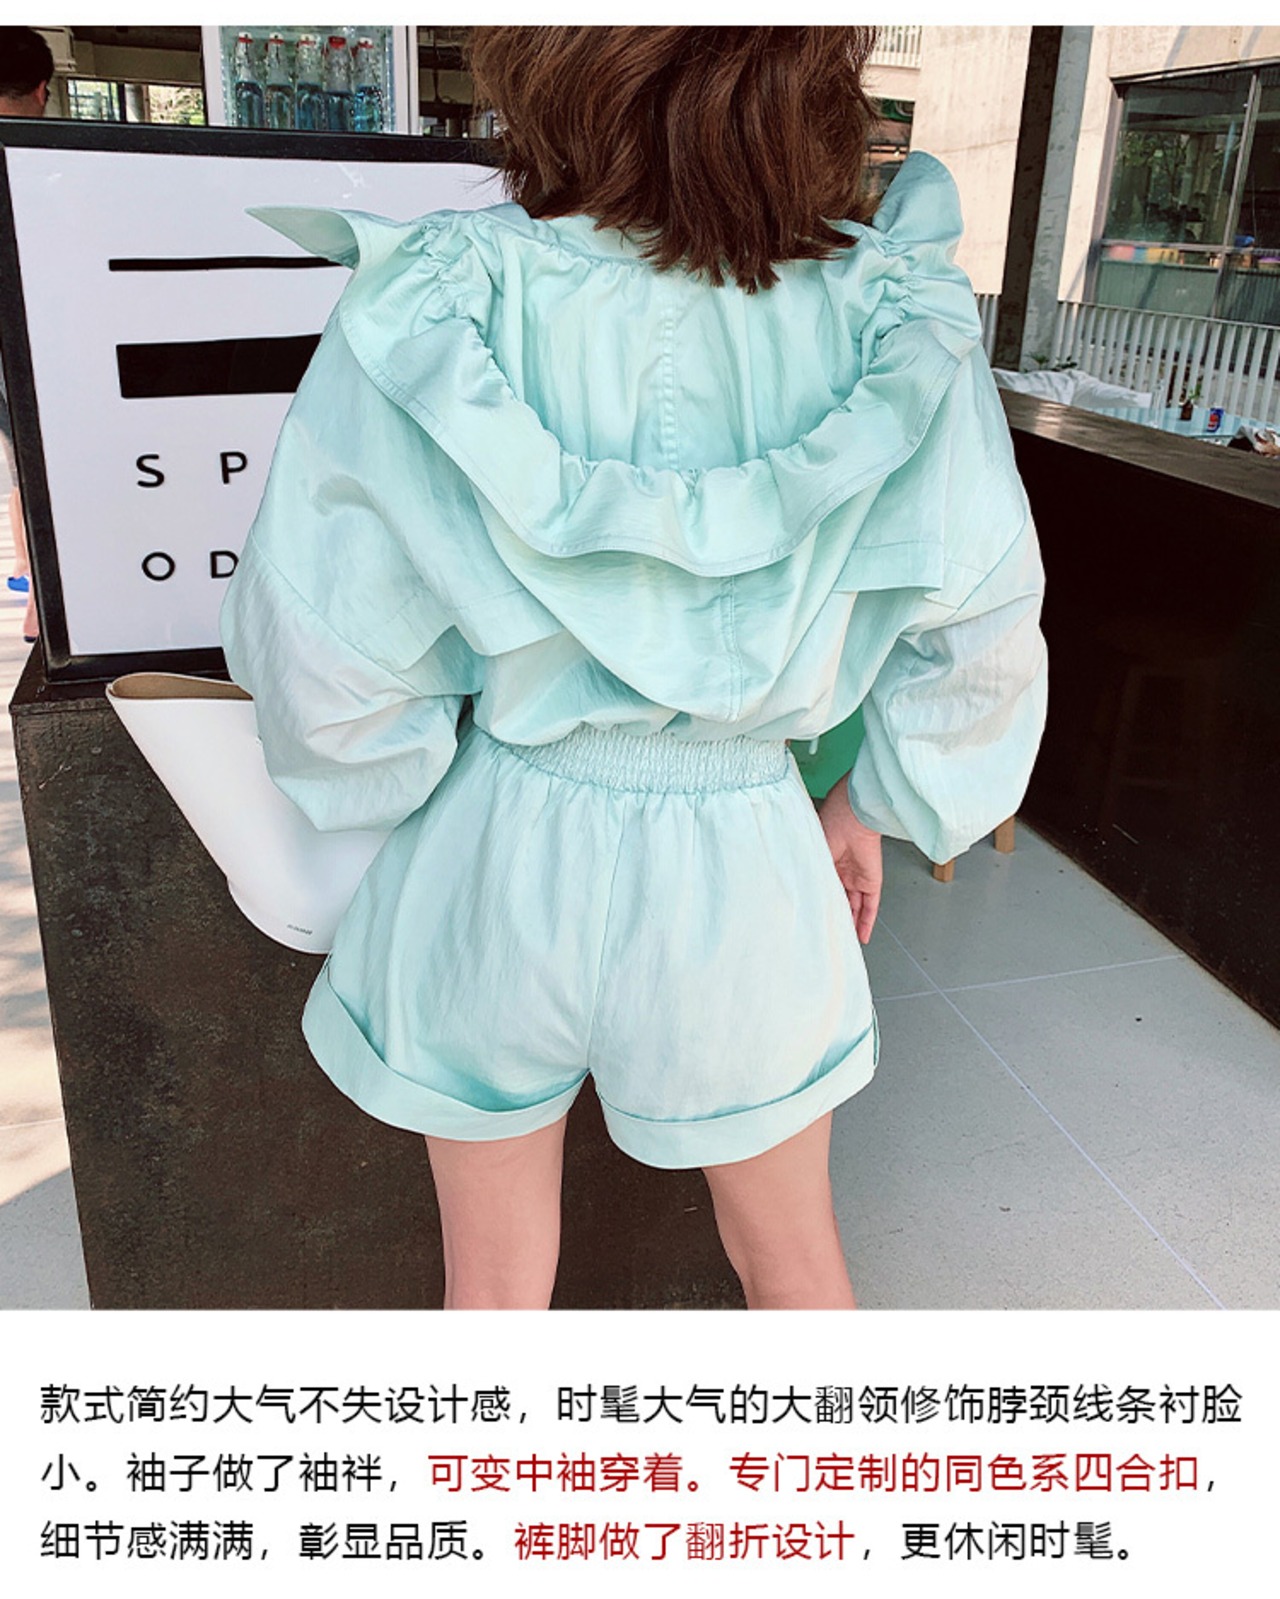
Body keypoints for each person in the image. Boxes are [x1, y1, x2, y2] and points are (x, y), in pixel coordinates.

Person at [221, 26, 1047, 1310]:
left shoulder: (440, 294)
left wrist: (387, 789)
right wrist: (868, 807)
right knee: (793, 1269)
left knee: (490, 1293)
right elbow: (980, 635)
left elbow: (322, 631)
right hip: (745, 853)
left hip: (497, 836)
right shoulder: (892, 312)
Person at [0, 25, 53, 643]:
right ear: (41, 89)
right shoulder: (43, 159)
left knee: (22, 463)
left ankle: (38, 596)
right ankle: (49, 602)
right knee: (51, 460)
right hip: (40, 333)